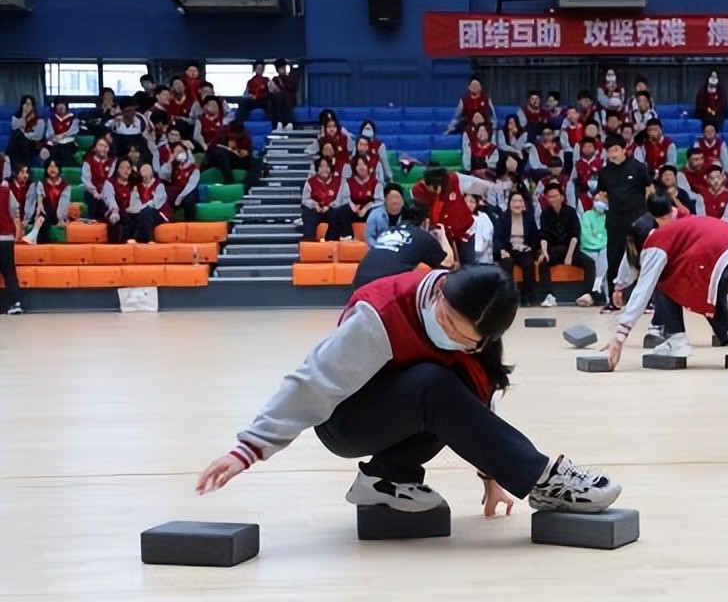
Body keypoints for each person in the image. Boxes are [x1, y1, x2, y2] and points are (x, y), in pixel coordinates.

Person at [195, 264, 622, 518]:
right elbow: (313, 380)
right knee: (434, 384)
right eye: (446, 317)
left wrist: (493, 475)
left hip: (399, 408)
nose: (447, 329)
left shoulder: (480, 333)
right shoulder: (380, 316)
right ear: (439, 289)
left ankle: (384, 479)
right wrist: (247, 449)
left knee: (450, 385)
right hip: (343, 421)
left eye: (461, 333)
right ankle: (546, 481)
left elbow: (477, 401)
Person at [606, 194, 728, 368]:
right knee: (710, 294)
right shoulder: (684, 220)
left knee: (664, 283)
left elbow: (643, 290)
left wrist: (620, 336)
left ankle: (677, 341)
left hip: (714, 256)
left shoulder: (656, 239)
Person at [595, 135, 652, 310]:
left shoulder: (638, 168)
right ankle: (613, 300)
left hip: (637, 220)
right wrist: (599, 201)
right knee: (614, 259)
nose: (612, 154)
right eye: (609, 151)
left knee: (641, 260)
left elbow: (648, 191)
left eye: (615, 150)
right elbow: (601, 194)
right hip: (615, 221)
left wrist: (647, 216)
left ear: (624, 149)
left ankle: (646, 301)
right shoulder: (604, 172)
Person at [353, 198, 455, 288]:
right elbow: (447, 264)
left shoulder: (387, 232)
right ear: (425, 222)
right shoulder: (422, 236)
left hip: (358, 284)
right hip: (383, 289)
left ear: (401, 218)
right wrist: (442, 236)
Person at [412, 166, 493, 266]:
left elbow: (475, 183)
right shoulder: (419, 190)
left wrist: (490, 186)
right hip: (442, 233)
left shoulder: (453, 180)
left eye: (439, 186)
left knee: (468, 265)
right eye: (434, 187)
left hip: (464, 230)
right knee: (444, 265)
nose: (437, 190)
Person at [537, 183, 596, 308]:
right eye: (550, 197)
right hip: (554, 249)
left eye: (555, 196)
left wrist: (569, 255)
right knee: (543, 264)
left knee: (590, 263)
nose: (553, 199)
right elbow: (544, 235)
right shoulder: (545, 214)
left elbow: (575, 235)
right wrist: (544, 251)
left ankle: (586, 294)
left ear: (562, 197)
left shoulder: (570, 212)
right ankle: (549, 296)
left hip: (570, 248)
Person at [496, 191, 541, 307]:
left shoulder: (528, 217)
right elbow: (497, 237)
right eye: (514, 201)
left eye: (520, 201)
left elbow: (535, 236)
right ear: (509, 203)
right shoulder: (503, 217)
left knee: (528, 264)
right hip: (508, 249)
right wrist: (501, 250)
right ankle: (510, 297)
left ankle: (526, 297)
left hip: (524, 249)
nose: (517, 204)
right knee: (507, 263)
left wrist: (530, 247)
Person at [300, 156, 351, 242]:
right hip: (316, 210)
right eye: (321, 166)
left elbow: (344, 199)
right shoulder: (310, 182)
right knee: (307, 212)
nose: (324, 169)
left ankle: (331, 240)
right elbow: (305, 199)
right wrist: (314, 204)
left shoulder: (340, 181)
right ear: (317, 169)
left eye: (327, 166)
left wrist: (330, 206)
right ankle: (309, 241)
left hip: (332, 209)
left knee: (337, 212)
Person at [27, 159, 70, 244]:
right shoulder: (41, 183)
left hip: (56, 214)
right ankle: (41, 241)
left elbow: (63, 204)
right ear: (46, 169)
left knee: (45, 213)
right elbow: (40, 199)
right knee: (44, 211)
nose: (52, 169)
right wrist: (38, 208)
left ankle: (34, 236)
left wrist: (60, 218)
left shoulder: (65, 186)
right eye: (50, 166)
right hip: (42, 213)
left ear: (59, 169)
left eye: (55, 167)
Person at [0, 156, 22, 315]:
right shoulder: (6, 190)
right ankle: (15, 303)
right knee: (9, 271)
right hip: (6, 237)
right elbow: (14, 210)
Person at [579, 194, 609, 306]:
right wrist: (598, 242)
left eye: (602, 200)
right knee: (594, 261)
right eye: (596, 200)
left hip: (604, 247)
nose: (599, 202)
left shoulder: (609, 216)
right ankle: (596, 292)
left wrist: (601, 243)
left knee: (605, 258)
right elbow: (585, 234)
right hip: (588, 247)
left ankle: (603, 294)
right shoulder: (587, 215)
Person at [130, 162, 169, 244]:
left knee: (147, 211)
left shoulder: (159, 185)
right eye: (142, 172)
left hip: (159, 213)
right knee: (138, 214)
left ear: (152, 173)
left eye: (147, 171)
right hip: (141, 212)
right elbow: (134, 203)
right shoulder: (137, 187)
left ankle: (147, 238)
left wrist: (143, 208)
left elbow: (157, 203)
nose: (144, 174)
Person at [162, 141, 201, 223]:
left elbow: (191, 185)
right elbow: (162, 175)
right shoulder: (172, 166)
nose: (179, 154)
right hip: (176, 189)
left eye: (181, 151)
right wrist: (169, 162)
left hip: (189, 191)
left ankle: (190, 223)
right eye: (177, 152)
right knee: (165, 192)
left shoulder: (193, 167)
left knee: (189, 199)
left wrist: (180, 198)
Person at [345, 153, 384, 233]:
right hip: (354, 210)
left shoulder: (376, 182)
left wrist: (366, 207)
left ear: (368, 167)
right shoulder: (348, 182)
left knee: (377, 211)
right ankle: (347, 237)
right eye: (359, 165)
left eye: (364, 164)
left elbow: (380, 201)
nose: (362, 167)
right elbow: (344, 198)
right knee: (344, 210)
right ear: (354, 168)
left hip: (369, 210)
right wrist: (352, 205)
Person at [80, 137, 116, 224]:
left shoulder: (112, 162)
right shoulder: (88, 161)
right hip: (92, 193)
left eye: (106, 146)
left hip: (107, 192)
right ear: (95, 147)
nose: (103, 148)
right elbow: (86, 179)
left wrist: (103, 193)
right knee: (93, 202)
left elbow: (110, 179)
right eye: (101, 145)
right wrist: (94, 191)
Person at [206, 120, 253, 186]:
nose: (233, 136)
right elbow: (211, 148)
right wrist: (227, 146)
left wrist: (241, 151)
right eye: (231, 133)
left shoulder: (245, 137)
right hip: (218, 159)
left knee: (254, 161)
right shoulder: (222, 133)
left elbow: (248, 151)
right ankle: (229, 180)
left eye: (237, 135)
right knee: (222, 153)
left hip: (236, 160)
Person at [102, 157, 137, 244]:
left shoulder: (133, 184)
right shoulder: (110, 183)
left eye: (128, 168)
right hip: (113, 211)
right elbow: (110, 199)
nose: (126, 171)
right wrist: (115, 211)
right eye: (122, 168)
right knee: (120, 221)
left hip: (129, 212)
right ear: (117, 169)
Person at [7, 96, 44, 169]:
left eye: (29, 104)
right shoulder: (16, 117)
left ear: (33, 106)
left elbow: (38, 136)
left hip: (33, 145)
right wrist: (23, 117)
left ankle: (8, 158)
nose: (27, 107)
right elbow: (14, 127)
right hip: (19, 145)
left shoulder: (39, 120)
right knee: (17, 134)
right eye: (26, 104)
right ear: (22, 105)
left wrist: (25, 135)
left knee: (19, 136)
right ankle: (19, 169)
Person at [42, 99, 79, 167]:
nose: (61, 107)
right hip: (55, 144)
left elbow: (74, 131)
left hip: (68, 144)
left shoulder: (73, 119)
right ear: (55, 107)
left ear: (66, 106)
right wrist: (55, 138)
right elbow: (49, 134)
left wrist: (62, 135)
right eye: (58, 105)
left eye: (63, 104)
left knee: (66, 152)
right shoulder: (51, 119)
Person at [268, 58, 298, 132]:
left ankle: (288, 122)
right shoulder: (275, 79)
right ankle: (279, 122)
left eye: (284, 68)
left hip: (290, 99)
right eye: (281, 68)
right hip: (278, 101)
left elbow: (293, 89)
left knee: (284, 96)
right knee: (277, 98)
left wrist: (282, 84)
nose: (283, 69)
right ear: (278, 69)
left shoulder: (290, 78)